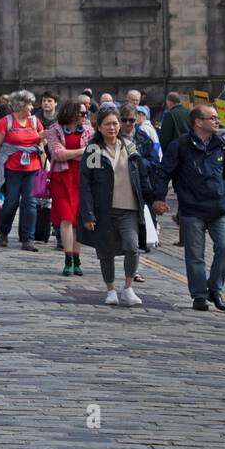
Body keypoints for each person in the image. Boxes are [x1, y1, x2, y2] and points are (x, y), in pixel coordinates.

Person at [153, 104, 225, 312]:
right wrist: (158, 198)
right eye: (213, 118)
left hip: (219, 208)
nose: (217, 121)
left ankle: (214, 289)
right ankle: (199, 295)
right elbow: (164, 173)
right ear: (198, 122)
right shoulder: (180, 146)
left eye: (217, 118)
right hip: (192, 209)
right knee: (195, 255)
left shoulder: (221, 145)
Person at [79, 107, 157, 307]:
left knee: (132, 247)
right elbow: (87, 183)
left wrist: (154, 200)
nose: (112, 127)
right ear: (99, 127)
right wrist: (88, 213)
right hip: (104, 209)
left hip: (129, 208)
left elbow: (141, 175)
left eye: (115, 123)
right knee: (107, 251)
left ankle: (128, 288)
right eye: (107, 124)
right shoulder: (94, 150)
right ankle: (110, 289)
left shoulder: (129, 146)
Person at [0, 90, 48, 251]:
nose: (32, 107)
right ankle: (4, 231)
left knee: (30, 202)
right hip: (12, 168)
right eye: (29, 104)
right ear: (21, 105)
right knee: (11, 202)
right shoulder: (6, 122)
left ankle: (28, 239)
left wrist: (44, 165)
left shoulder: (35, 122)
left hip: (32, 169)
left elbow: (42, 143)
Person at [45, 99, 93, 277]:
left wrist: (71, 154)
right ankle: (68, 259)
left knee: (77, 220)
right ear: (71, 113)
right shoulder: (54, 130)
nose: (84, 117)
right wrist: (82, 152)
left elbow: (93, 155)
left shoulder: (89, 130)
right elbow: (57, 154)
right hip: (61, 178)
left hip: (82, 178)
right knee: (66, 218)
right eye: (81, 113)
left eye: (85, 114)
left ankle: (77, 258)